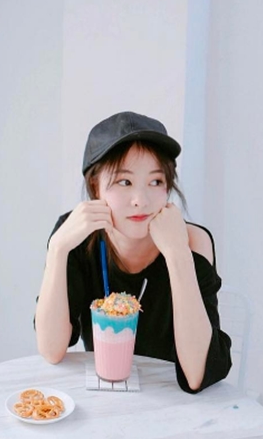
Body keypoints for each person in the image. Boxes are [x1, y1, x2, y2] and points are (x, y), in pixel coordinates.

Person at [34, 111, 232, 393]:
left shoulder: (192, 242)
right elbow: (51, 350)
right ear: (95, 186)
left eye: (156, 181)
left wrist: (177, 254)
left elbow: (197, 375)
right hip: (106, 400)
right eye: (124, 182)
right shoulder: (77, 235)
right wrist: (57, 249)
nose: (141, 200)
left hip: (174, 405)